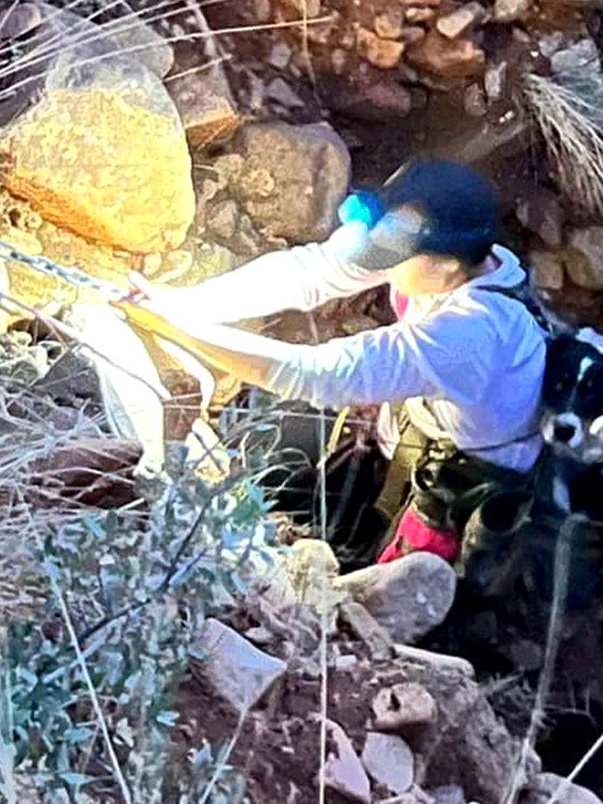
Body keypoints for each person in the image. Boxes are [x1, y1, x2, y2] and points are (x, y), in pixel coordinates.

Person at [115, 159, 549, 568]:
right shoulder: (447, 253)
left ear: (443, 269)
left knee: (404, 579)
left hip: (466, 472)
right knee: (354, 492)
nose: (378, 259)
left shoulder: (472, 335)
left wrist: (178, 328)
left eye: (393, 256)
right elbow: (313, 272)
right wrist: (180, 303)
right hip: (420, 423)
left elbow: (319, 374)